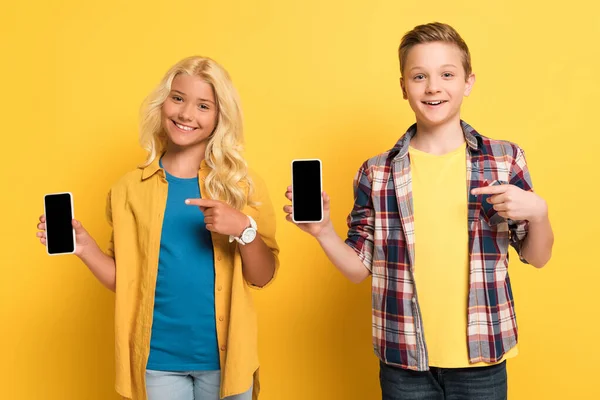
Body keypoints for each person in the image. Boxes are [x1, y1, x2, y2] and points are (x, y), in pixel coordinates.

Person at [283, 22, 554, 399]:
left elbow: (537, 257)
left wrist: (538, 213)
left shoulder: (504, 160)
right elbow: (359, 269)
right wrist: (323, 231)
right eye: (419, 76)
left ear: (468, 82)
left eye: (447, 74)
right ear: (403, 87)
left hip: (483, 359)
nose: (433, 87)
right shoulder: (376, 172)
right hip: (403, 361)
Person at [37, 56, 279, 400]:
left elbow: (263, 276)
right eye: (177, 98)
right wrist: (84, 247)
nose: (186, 114)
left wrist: (244, 229)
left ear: (219, 117)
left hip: (227, 362)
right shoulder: (128, 189)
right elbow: (130, 282)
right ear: (162, 103)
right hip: (156, 363)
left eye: (203, 105)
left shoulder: (241, 185)